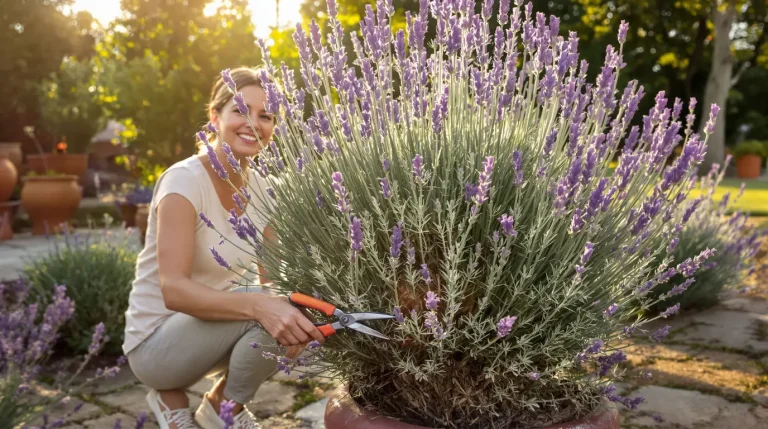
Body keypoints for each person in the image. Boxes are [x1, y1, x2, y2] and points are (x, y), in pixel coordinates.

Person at [122, 66, 325, 429]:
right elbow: (174, 290)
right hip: (155, 346)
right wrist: (264, 307)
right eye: (241, 110)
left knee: (290, 306)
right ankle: (169, 393)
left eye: (266, 115)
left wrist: (292, 313)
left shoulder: (265, 189)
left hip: (214, 331)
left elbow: (272, 282)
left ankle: (223, 405)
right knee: (270, 310)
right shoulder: (183, 182)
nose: (253, 123)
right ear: (215, 117)